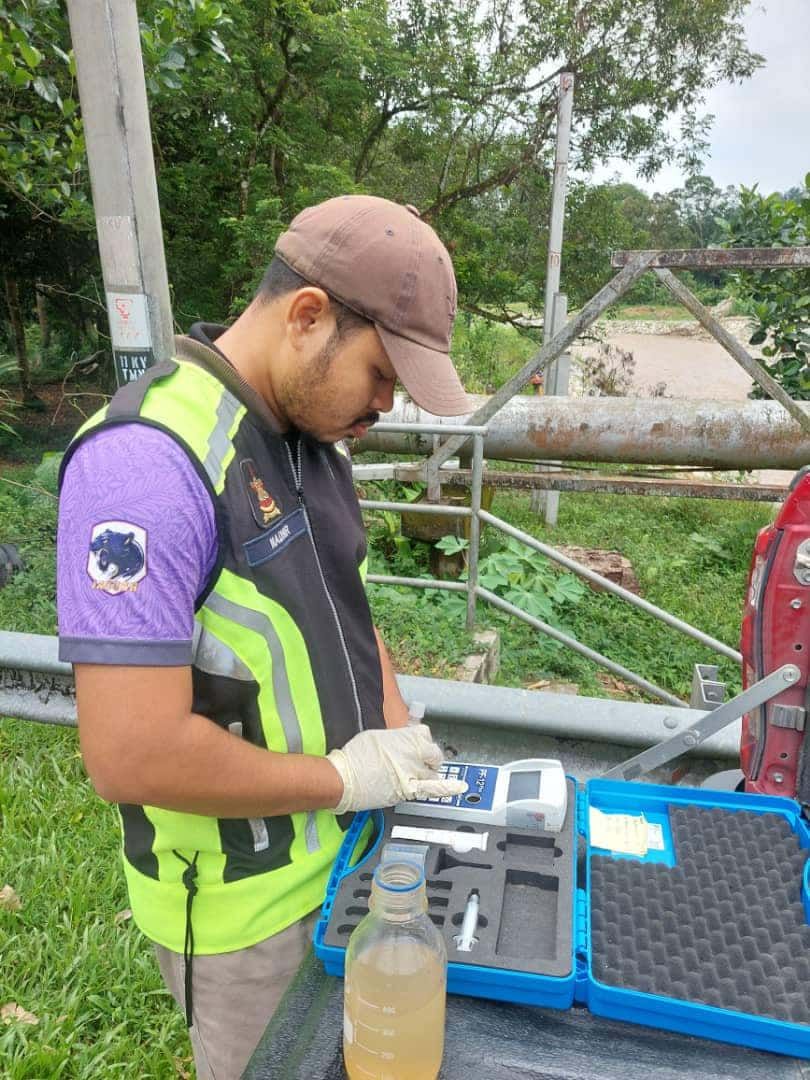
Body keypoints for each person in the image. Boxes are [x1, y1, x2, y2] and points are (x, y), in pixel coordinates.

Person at [56, 195, 470, 1079]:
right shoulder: (147, 464)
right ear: (308, 315)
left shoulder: (312, 436)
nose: (386, 406)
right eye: (382, 374)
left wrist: (398, 733)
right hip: (249, 914)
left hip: (350, 859)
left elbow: (345, 602)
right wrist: (344, 778)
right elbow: (128, 753)